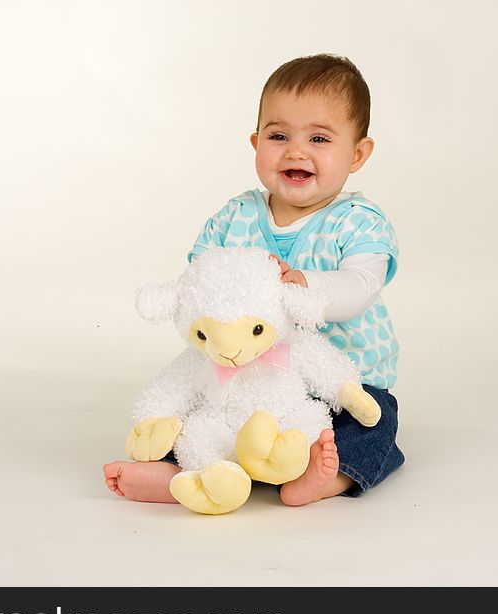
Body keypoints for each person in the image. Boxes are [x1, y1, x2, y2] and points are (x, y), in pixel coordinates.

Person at [104, 53, 404, 506]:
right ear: (255, 141)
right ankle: (181, 474)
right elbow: (201, 281)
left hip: (338, 381)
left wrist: (302, 282)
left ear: (358, 153)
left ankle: (329, 475)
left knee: (375, 419)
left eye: (319, 138)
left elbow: (361, 287)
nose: (296, 151)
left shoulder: (359, 223)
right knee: (197, 417)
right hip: (242, 379)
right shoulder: (236, 216)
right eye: (278, 135)